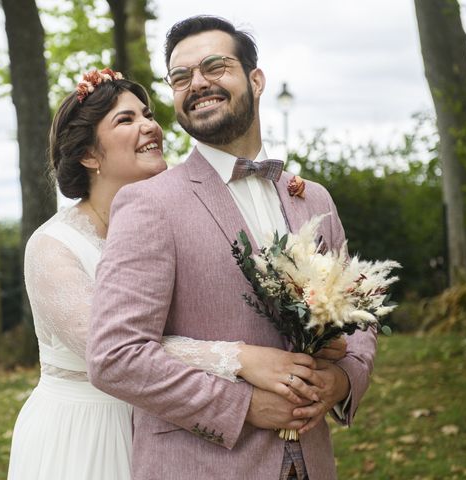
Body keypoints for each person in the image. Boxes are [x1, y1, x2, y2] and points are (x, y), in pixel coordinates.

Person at [7, 68, 337, 480]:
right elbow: (110, 347)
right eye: (126, 120)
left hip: (173, 427)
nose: (150, 126)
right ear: (89, 155)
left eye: (147, 114)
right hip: (89, 433)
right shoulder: (53, 247)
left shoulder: (176, 219)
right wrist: (239, 358)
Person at [86, 16, 377, 480]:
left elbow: (359, 315)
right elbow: (115, 356)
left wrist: (340, 381)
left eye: (214, 67)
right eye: (181, 77)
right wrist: (243, 405)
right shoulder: (148, 204)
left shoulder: (313, 199)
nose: (197, 83)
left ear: (255, 80)